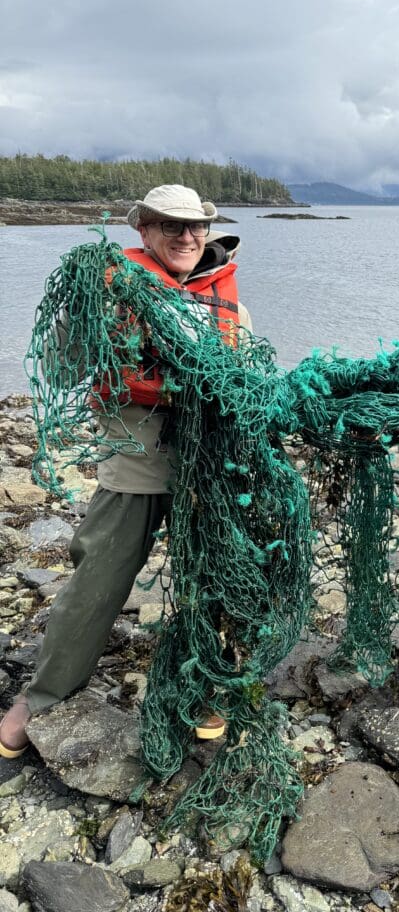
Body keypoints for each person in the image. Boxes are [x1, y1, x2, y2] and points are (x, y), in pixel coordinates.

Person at [0, 185, 252, 759]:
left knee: (209, 580)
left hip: (208, 465)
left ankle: (203, 683)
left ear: (208, 232)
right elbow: (63, 363)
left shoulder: (230, 296)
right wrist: (84, 313)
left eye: (195, 227)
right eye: (170, 226)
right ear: (144, 231)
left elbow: (248, 379)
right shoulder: (114, 285)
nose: (185, 236)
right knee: (98, 577)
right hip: (135, 458)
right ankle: (42, 696)